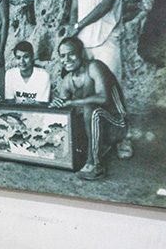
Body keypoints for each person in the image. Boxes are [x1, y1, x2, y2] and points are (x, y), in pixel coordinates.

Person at [51, 37, 128, 180]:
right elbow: (63, 104)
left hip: (116, 126)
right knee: (77, 116)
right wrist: (57, 104)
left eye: (71, 54)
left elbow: (103, 98)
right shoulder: (67, 80)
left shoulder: (94, 67)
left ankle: (94, 164)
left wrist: (71, 102)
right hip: (95, 129)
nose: (66, 59)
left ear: (82, 54)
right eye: (62, 56)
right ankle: (95, 151)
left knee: (91, 110)